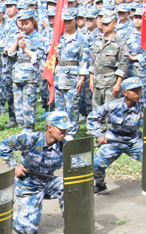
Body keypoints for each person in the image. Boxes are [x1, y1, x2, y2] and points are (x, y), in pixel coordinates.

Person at [87, 77, 146, 200]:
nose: (138, 93)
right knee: (96, 164)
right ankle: (100, 186)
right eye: (134, 91)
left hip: (134, 141)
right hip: (114, 140)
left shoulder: (143, 107)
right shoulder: (113, 106)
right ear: (125, 93)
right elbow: (92, 118)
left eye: (140, 90)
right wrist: (99, 135)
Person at [0, 111, 70, 234]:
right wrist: (14, 166)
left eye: (66, 129)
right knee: (29, 230)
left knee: (69, 185)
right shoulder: (32, 139)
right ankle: (13, 215)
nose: (64, 132)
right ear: (50, 127)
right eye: (61, 129)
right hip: (29, 185)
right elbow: (4, 145)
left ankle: (72, 225)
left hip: (48, 182)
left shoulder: (65, 145)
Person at [53, 8, 90, 141]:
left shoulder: (81, 39)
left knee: (72, 108)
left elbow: (84, 60)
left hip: (73, 79)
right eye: (65, 21)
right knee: (60, 107)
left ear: (75, 20)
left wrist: (81, 79)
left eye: (69, 20)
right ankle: (60, 132)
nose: (67, 23)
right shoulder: (61, 37)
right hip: (59, 77)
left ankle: (71, 134)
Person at [7, 9, 45, 132]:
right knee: (17, 103)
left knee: (28, 103)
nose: (24, 26)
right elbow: (11, 53)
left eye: (26, 23)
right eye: (21, 23)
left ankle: (28, 127)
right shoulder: (19, 35)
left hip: (30, 75)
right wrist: (16, 42)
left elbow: (37, 57)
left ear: (33, 22)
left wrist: (25, 48)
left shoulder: (38, 37)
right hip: (18, 73)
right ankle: (20, 124)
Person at [89, 10, 129, 109]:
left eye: (107, 24)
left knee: (111, 112)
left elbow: (123, 65)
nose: (104, 26)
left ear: (115, 24)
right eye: (103, 24)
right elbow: (92, 62)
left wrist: (118, 83)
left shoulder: (120, 42)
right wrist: (91, 80)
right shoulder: (97, 41)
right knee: (97, 113)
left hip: (111, 82)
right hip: (97, 82)